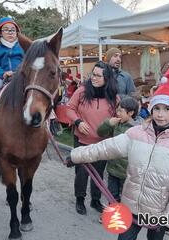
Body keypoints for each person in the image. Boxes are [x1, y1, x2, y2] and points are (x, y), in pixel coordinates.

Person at [66, 67, 169, 240]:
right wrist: (76, 156)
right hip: (130, 207)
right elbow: (105, 148)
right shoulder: (137, 133)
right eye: (156, 108)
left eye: (167, 109)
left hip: (159, 214)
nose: (160, 114)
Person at [66, 61, 118, 215]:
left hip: (103, 144)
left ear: (107, 78)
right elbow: (69, 108)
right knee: (81, 173)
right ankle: (80, 199)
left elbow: (118, 115)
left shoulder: (113, 97)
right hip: (82, 141)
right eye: (92, 74)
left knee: (99, 173)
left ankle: (95, 200)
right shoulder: (81, 91)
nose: (93, 78)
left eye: (98, 75)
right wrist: (78, 121)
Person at [97, 96, 139, 202]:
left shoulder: (136, 129)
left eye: (121, 111)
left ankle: (121, 217)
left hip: (126, 172)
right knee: (111, 195)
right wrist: (108, 124)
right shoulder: (116, 124)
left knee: (125, 198)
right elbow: (100, 133)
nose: (118, 113)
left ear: (130, 113)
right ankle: (111, 216)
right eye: (117, 110)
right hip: (113, 168)